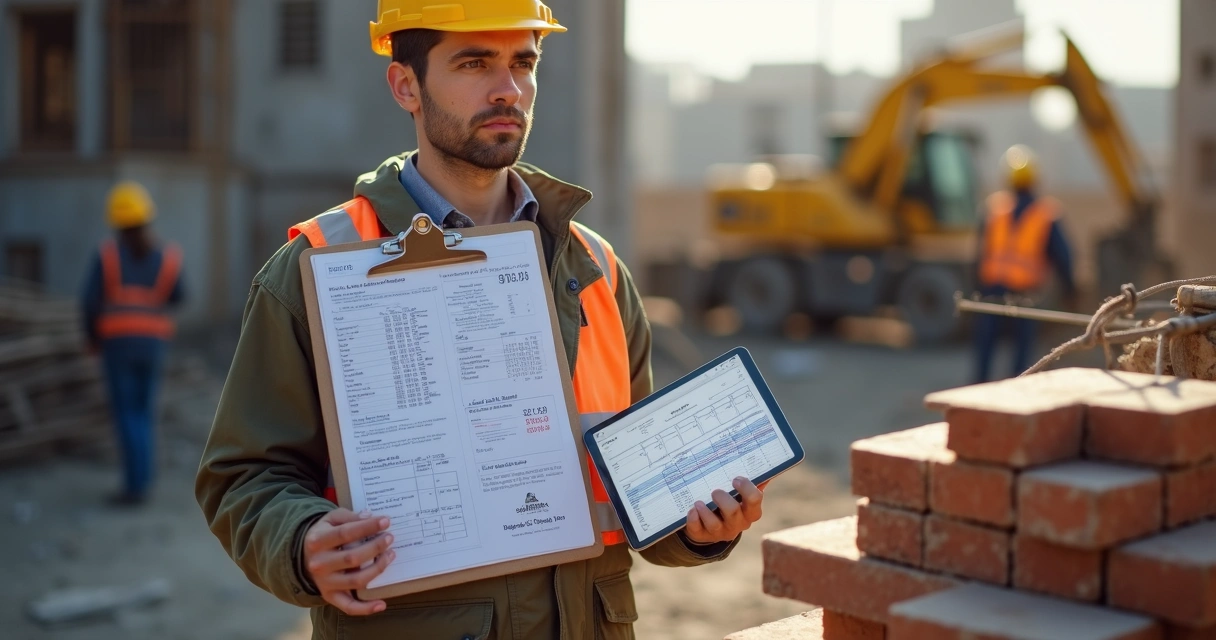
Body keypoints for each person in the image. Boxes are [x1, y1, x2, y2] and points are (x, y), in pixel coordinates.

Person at [194, 2, 766, 638]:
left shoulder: (595, 269)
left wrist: (698, 527)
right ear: (405, 85)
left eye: (523, 63)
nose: (508, 89)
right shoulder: (320, 266)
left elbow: (634, 490)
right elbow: (243, 477)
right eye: (474, 63)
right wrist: (300, 541)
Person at [82, 181, 185, 505]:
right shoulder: (167, 256)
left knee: (127, 413)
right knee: (143, 412)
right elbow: (179, 296)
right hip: (152, 346)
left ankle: (134, 486)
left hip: (118, 346)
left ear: (117, 223)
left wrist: (92, 340)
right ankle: (144, 480)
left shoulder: (108, 255)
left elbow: (89, 303)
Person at [973, 145, 1077, 382]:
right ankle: (1016, 391)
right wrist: (1070, 290)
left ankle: (978, 389)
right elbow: (1063, 257)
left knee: (985, 347)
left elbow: (980, 254)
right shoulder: (1045, 214)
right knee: (1021, 355)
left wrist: (976, 288)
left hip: (992, 291)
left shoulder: (995, 209)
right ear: (1034, 179)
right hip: (1024, 295)